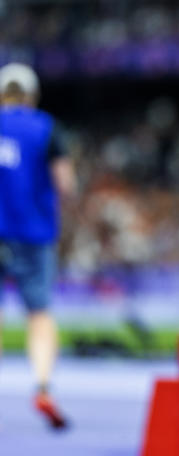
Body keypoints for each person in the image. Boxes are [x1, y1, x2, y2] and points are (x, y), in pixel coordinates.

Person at [0, 62, 77, 430]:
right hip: (33, 234)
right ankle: (44, 386)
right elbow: (64, 183)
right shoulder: (46, 127)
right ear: (31, 94)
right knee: (39, 314)